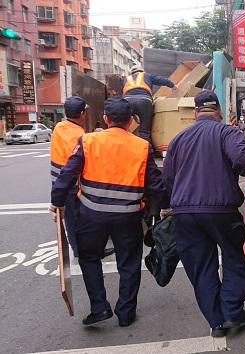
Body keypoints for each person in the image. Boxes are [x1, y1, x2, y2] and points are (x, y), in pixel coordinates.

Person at [49, 97, 166, 327]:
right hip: (128, 218)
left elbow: (67, 174)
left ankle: (99, 307)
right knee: (129, 263)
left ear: (105, 119)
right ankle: (125, 312)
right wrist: (166, 206)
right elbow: (156, 183)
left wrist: (57, 202)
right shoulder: (142, 146)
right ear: (131, 121)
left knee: (89, 258)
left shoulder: (88, 141)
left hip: (92, 216)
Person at [162, 90, 245, 337]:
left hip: (185, 212)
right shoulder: (227, 132)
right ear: (218, 112)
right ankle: (232, 312)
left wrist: (174, 204)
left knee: (201, 266)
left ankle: (216, 322)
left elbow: (168, 179)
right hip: (222, 210)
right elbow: (243, 160)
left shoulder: (178, 139)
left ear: (195, 113)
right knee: (234, 258)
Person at [49, 96, 114, 258]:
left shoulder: (59, 127)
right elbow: (83, 150)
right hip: (72, 184)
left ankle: (78, 248)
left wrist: (92, 135)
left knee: (71, 219)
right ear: (82, 113)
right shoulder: (79, 135)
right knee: (80, 219)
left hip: (59, 182)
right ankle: (84, 250)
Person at [123, 64, 178, 141]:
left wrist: (135, 117)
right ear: (142, 71)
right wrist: (173, 86)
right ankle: (144, 148)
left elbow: (132, 102)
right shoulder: (147, 76)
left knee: (123, 128)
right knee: (144, 130)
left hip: (127, 101)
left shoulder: (126, 79)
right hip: (144, 101)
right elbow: (162, 80)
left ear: (132, 73)